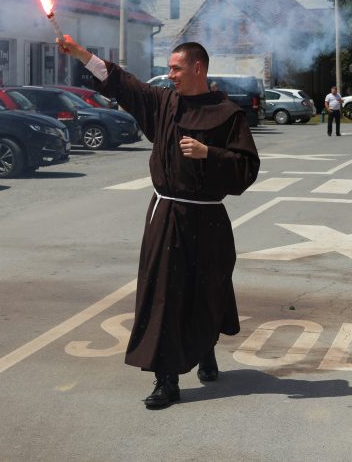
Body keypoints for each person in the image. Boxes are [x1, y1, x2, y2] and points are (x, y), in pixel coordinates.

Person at [57, 35, 260, 409]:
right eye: (169, 69)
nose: (170, 75)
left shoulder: (228, 113)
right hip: (168, 215)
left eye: (176, 69)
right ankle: (166, 381)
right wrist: (81, 54)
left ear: (197, 68)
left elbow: (247, 168)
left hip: (208, 217)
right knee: (163, 294)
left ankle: (205, 348)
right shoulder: (164, 102)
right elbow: (123, 82)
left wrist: (209, 153)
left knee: (207, 289)